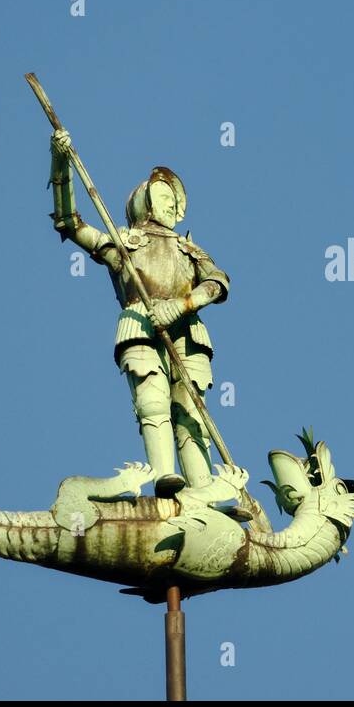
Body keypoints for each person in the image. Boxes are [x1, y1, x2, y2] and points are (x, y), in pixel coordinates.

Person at [48, 128, 229, 493]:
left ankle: (205, 489)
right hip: (140, 324)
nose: (168, 204)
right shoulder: (125, 244)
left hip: (188, 331)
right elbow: (70, 221)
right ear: (144, 201)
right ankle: (163, 474)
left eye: (172, 199)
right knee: (153, 400)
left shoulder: (189, 249)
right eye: (161, 195)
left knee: (191, 411)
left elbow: (218, 283)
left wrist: (184, 304)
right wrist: (60, 161)